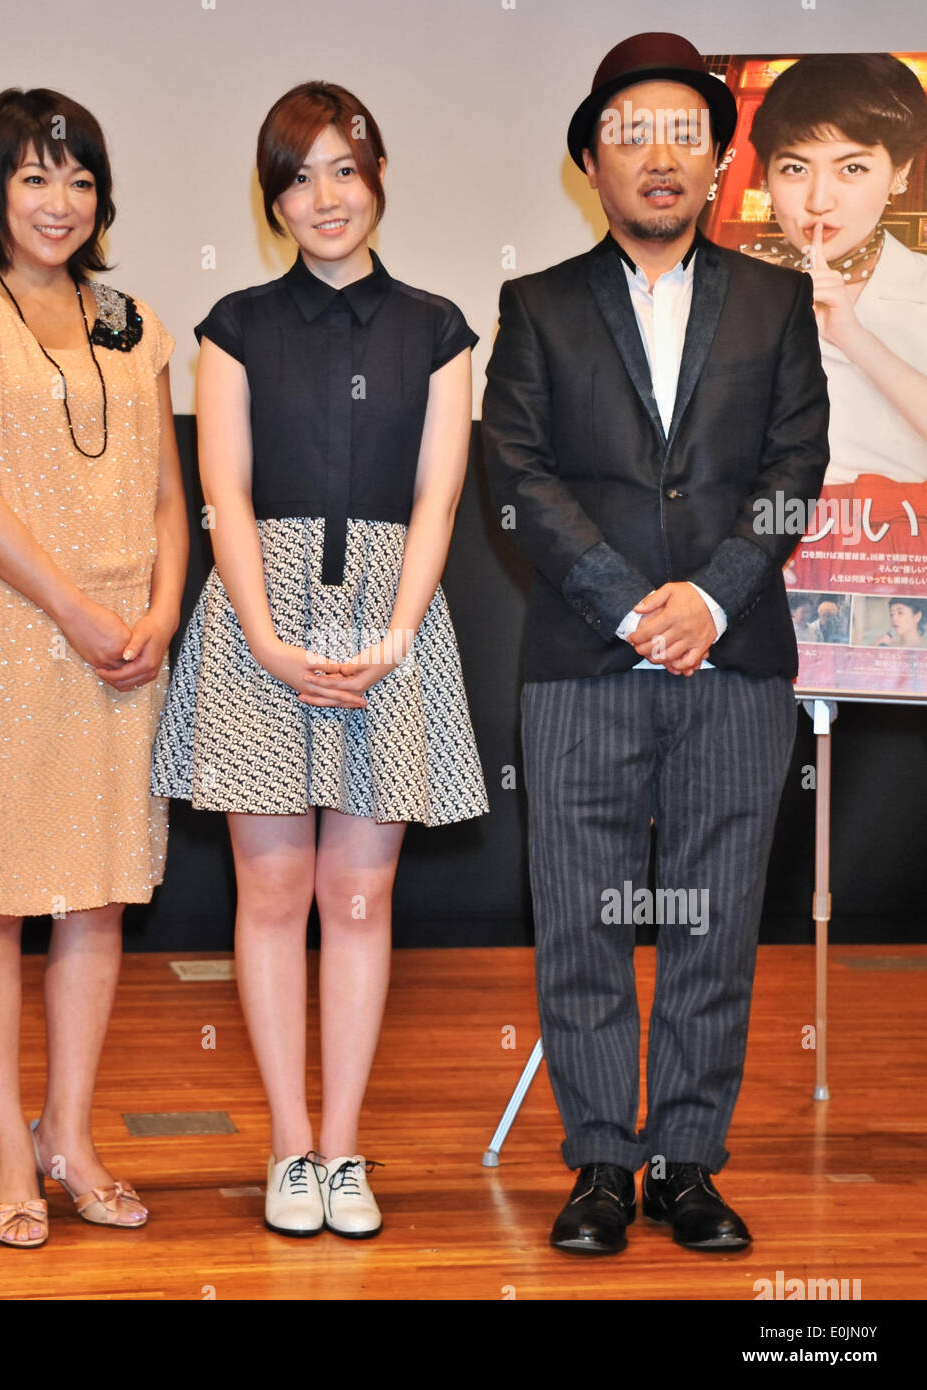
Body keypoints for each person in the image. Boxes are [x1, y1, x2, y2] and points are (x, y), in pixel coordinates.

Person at [482, 33, 830, 1254]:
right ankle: (595, 1165)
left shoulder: (779, 301)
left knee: (714, 919)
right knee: (579, 917)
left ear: (718, 158)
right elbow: (515, 474)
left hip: (735, 664)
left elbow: (795, 472)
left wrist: (713, 598)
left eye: (684, 129)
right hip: (585, 660)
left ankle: (687, 1161)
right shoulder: (536, 306)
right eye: (630, 130)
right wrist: (634, 603)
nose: (659, 153)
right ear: (591, 161)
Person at [151, 81, 487, 1239]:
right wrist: (263, 635)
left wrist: (396, 631)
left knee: (361, 892)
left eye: (343, 168)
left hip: (393, 622)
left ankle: (345, 1152)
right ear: (273, 199)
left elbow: (440, 495)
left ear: (377, 174)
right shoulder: (234, 324)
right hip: (259, 624)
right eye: (298, 177)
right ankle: (287, 1147)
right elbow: (224, 492)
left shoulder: (439, 327)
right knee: (274, 890)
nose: (324, 197)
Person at [0, 89, 189, 1247]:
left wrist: (163, 607)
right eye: (32, 178)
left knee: (100, 892)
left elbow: (171, 490)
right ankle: (7, 1150)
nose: (58, 202)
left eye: (77, 179)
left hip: (129, 639)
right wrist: (74, 609)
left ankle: (72, 1134)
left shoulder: (128, 316)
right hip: (20, 630)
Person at [746, 53, 927, 490]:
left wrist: (851, 335)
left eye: (852, 168)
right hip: (767, 542)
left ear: (899, 174)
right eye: (795, 168)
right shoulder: (733, 290)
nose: (819, 200)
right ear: (767, 176)